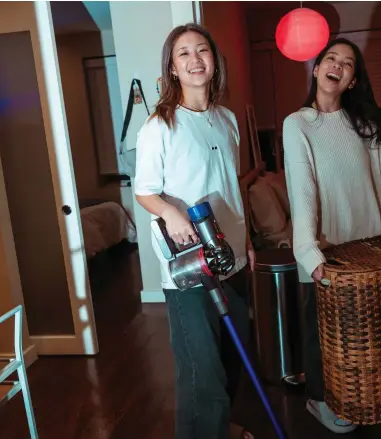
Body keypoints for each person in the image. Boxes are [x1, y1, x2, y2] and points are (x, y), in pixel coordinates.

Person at [282, 38, 381, 434]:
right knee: (323, 338)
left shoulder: (367, 127)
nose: (338, 66)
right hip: (326, 257)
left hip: (370, 255)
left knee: (365, 338)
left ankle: (365, 397)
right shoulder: (298, 124)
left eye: (348, 64)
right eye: (331, 59)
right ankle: (318, 401)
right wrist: (309, 253)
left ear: (352, 81)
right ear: (317, 68)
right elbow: (302, 191)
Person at [134, 23, 255, 439]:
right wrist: (171, 212)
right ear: (172, 67)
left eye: (201, 50)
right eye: (183, 53)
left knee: (232, 357)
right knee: (200, 371)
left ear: (213, 61)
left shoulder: (226, 119)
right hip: (190, 268)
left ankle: (220, 429)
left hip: (233, 257)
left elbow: (232, 187)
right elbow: (144, 192)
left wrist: (248, 240)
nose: (194, 59)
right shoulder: (159, 125)